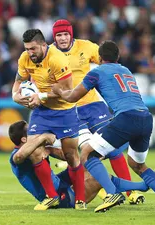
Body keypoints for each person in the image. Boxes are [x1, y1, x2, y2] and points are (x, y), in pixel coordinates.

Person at [52, 40, 155, 212]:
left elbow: (72, 97)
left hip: (125, 117)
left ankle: (111, 193)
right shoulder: (125, 70)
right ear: (118, 57)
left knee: (87, 153)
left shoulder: (97, 72)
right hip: (146, 117)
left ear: (99, 58)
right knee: (137, 164)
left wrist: (58, 91)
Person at [51, 19, 144, 204]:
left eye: (65, 34)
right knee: (85, 151)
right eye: (59, 35)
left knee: (113, 147)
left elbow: (107, 61)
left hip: (94, 105)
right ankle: (103, 189)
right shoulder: (49, 54)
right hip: (69, 109)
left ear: (71, 34)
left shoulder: (86, 46)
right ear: (54, 37)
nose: (62, 38)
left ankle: (130, 193)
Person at [8, 120, 155, 209]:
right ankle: (139, 186)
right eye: (30, 132)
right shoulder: (17, 156)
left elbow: (67, 155)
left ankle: (141, 186)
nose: (35, 131)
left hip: (60, 182)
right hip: (61, 198)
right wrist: (42, 139)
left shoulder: (39, 148)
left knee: (88, 163)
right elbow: (20, 157)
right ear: (23, 139)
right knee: (96, 179)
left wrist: (55, 147)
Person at [12, 29, 85, 210]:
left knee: (71, 155)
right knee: (34, 151)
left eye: (33, 49)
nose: (30, 53)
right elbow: (18, 81)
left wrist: (42, 96)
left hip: (65, 111)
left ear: (44, 45)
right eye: (27, 49)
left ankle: (80, 200)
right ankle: (51, 196)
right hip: (42, 111)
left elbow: (67, 89)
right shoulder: (24, 58)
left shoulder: (57, 59)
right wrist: (15, 96)